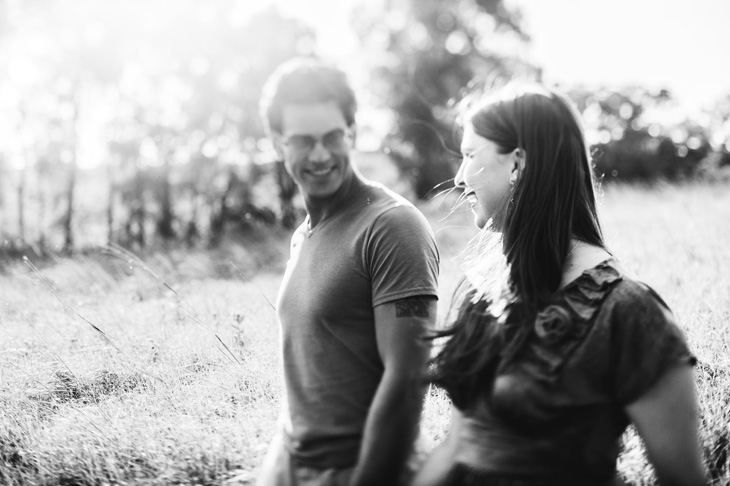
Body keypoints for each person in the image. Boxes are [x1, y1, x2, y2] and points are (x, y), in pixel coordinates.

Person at [411, 84, 707, 486]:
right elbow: (458, 448)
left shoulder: (627, 312)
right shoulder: (483, 296)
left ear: (518, 163)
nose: (460, 178)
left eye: (469, 155)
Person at [257, 57, 440, 486]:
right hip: (297, 464)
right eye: (302, 141)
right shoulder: (304, 234)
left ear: (352, 133)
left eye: (332, 137)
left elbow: (408, 378)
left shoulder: (392, 226)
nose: (319, 156)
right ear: (277, 142)